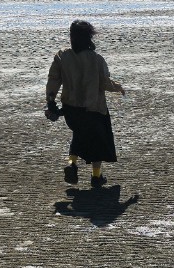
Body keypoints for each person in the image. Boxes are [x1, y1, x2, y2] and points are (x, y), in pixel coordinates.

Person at [46, 20, 125, 186]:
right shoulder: (96, 59)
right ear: (89, 36)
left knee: (79, 133)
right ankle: (96, 176)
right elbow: (104, 83)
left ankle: (72, 164)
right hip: (93, 108)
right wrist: (118, 88)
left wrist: (50, 99)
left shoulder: (62, 56)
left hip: (70, 109)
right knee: (99, 141)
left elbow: (54, 80)